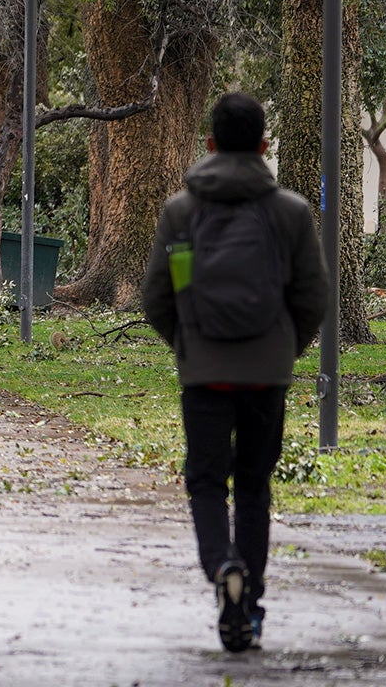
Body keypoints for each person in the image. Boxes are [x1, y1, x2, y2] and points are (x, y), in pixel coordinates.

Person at [141, 91, 329, 653]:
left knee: (205, 479)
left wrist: (189, 342)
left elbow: (159, 294)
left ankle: (221, 568)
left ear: (210, 143)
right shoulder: (290, 212)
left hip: (204, 370)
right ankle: (249, 604)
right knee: (253, 485)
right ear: (265, 145)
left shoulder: (182, 211)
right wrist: (284, 347)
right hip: (266, 372)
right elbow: (312, 295)